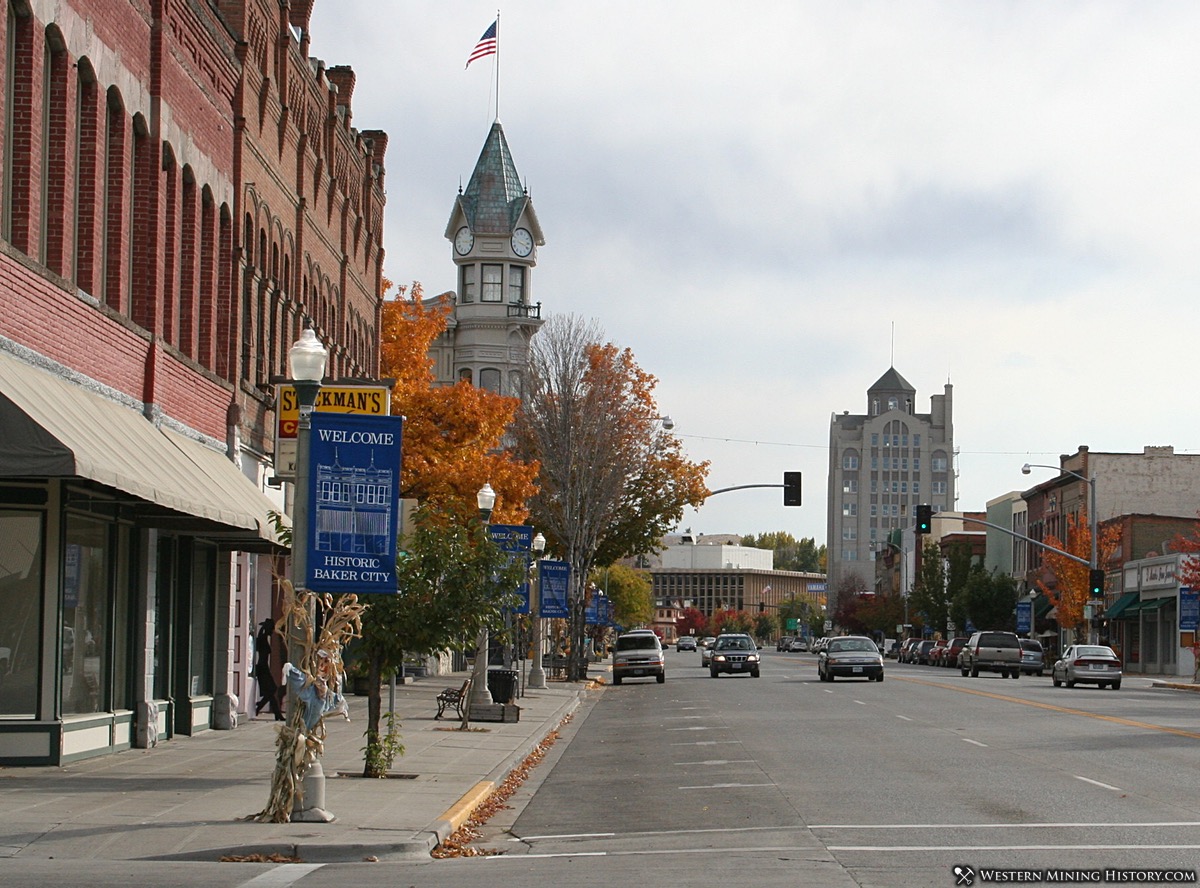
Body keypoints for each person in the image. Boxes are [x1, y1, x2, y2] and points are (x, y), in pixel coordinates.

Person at [254, 618, 283, 720]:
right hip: (262, 668)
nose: (272, 631)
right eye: (271, 629)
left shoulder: (264, 637)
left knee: (270, 692)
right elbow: (261, 657)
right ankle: (275, 713)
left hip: (264, 667)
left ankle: (275, 713)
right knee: (271, 690)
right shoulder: (262, 638)